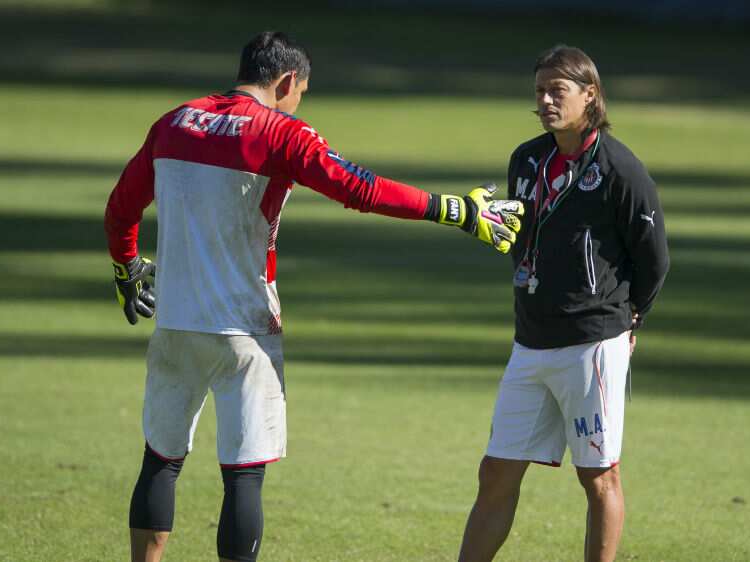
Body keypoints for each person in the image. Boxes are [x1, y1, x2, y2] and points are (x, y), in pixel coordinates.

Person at [104, 31, 524, 562]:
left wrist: (128, 268)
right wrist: (454, 210)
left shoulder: (173, 123)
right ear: (286, 81)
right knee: (242, 478)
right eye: (301, 90)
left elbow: (120, 209)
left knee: (160, 461)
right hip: (246, 329)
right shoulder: (281, 132)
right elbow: (359, 188)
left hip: (175, 326)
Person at [457, 45, 670, 562]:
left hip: (592, 343)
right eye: (540, 91)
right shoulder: (527, 159)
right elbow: (523, 237)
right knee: (496, 471)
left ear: (589, 95)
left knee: (599, 476)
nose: (547, 100)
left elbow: (654, 258)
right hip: (529, 340)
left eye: (559, 90)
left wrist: (627, 318)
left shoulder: (621, 169)